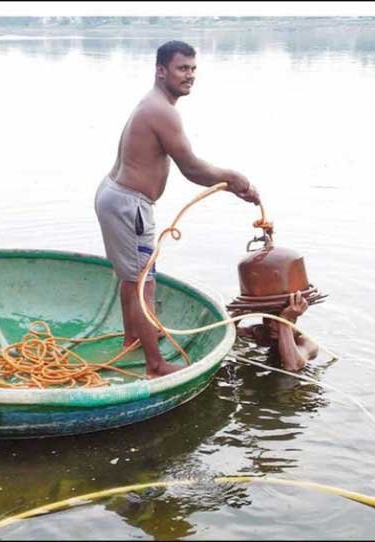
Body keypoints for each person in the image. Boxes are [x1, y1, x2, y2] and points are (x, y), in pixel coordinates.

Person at [94, 40, 261, 378]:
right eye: (182, 69)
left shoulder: (157, 105)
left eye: (193, 69)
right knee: (144, 285)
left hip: (119, 200)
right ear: (161, 71)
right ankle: (155, 365)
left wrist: (232, 184)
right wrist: (235, 179)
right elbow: (192, 169)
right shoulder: (160, 110)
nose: (190, 76)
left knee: (133, 280)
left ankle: (132, 337)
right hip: (128, 205)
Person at [237, 291, 319, 372]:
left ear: (293, 319)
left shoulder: (307, 343)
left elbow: (293, 366)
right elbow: (230, 333)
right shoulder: (261, 331)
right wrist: (241, 310)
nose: (271, 325)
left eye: (277, 320)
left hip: (293, 380)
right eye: (268, 318)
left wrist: (284, 319)